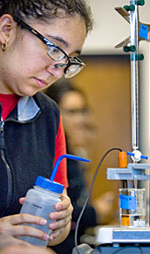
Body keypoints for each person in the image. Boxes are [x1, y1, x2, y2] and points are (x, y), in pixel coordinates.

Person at [0, 0, 92, 250]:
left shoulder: (48, 115)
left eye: (69, 60)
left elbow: (52, 234)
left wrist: (59, 222)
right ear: (7, 30)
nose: (58, 70)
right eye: (54, 48)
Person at [46, 80, 115, 254]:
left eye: (83, 111)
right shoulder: (49, 152)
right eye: (71, 112)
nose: (80, 119)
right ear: (54, 112)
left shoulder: (72, 153)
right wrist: (95, 212)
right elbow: (52, 208)